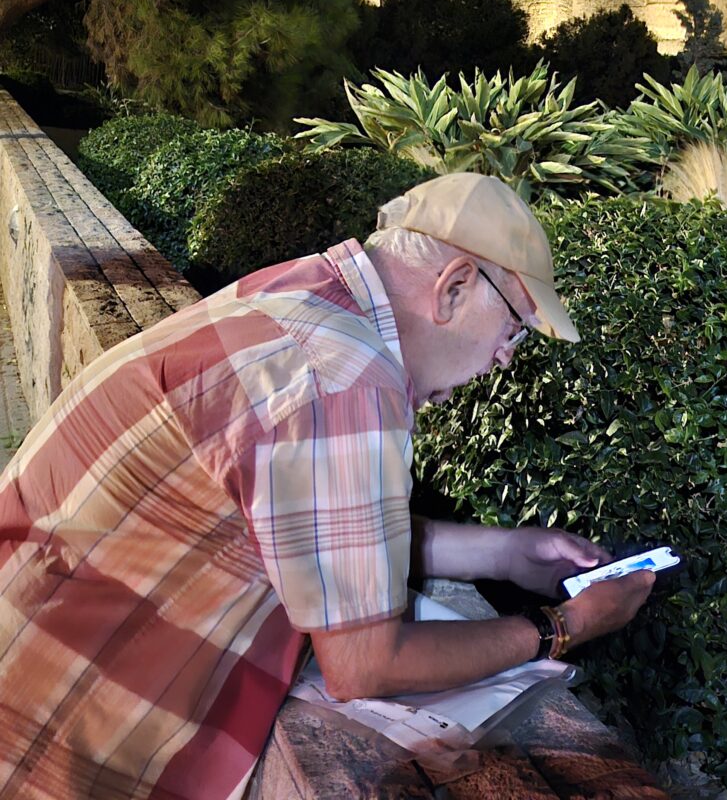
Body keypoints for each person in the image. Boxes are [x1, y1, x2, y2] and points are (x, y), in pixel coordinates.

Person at [0, 173, 653, 800]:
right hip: (49, 736)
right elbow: (366, 664)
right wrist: (563, 627)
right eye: (512, 327)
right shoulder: (344, 377)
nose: (505, 356)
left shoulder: (304, 295)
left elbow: (311, 521)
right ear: (454, 288)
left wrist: (505, 554)